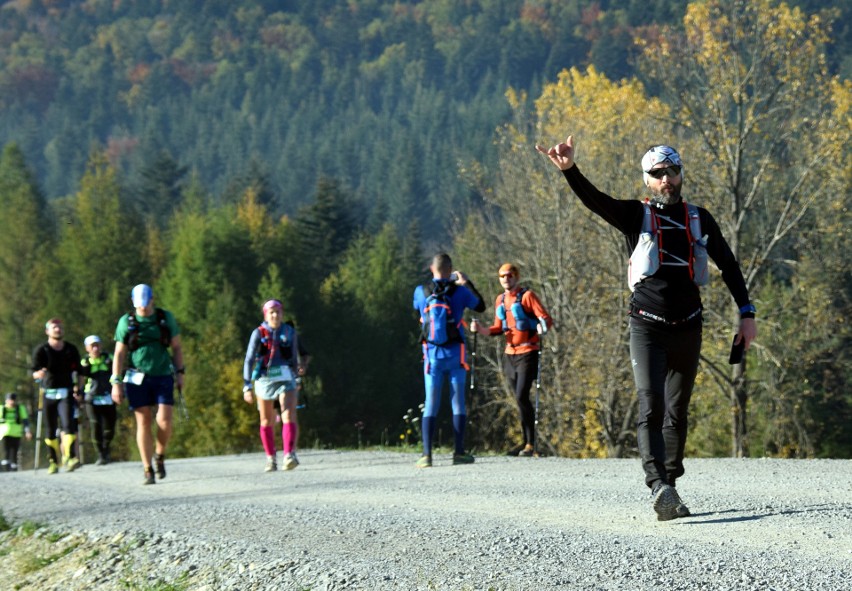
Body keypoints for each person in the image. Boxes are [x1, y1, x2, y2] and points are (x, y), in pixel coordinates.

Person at [536, 137, 757, 521]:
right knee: (651, 406)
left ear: (681, 174)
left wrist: (747, 313)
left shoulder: (700, 218)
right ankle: (658, 485)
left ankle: (670, 487)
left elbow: (729, 264)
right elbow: (595, 200)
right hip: (647, 327)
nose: (666, 179)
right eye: (658, 174)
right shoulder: (635, 216)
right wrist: (570, 170)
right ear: (647, 180)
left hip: (689, 328)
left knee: (677, 412)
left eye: (672, 171)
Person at [470, 263, 553, 457]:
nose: (506, 279)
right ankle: (525, 442)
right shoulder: (500, 300)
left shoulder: (527, 296)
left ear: (516, 277)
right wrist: (481, 330)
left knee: (521, 395)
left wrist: (543, 327)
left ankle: (531, 444)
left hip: (528, 352)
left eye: (509, 275)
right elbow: (498, 328)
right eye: (502, 276)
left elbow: (546, 318)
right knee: (519, 399)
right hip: (510, 355)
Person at [412, 253, 486, 468]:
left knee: (431, 404)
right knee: (457, 403)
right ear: (451, 269)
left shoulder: (421, 291)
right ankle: (459, 452)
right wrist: (465, 282)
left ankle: (427, 455)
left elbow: (417, 312)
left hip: (432, 356)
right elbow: (480, 305)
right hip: (456, 354)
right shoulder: (461, 291)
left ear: (431, 268)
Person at [111, 284, 184, 485]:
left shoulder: (164, 318)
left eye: (145, 304)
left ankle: (159, 455)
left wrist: (180, 373)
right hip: (136, 377)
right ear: (133, 303)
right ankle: (147, 468)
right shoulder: (127, 322)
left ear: (152, 300)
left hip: (162, 375)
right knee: (143, 421)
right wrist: (115, 382)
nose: (142, 308)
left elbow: (177, 347)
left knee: (165, 420)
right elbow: (119, 353)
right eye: (139, 305)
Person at [242, 300, 310, 472]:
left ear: (282, 313)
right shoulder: (258, 333)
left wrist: (299, 374)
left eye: (278, 312)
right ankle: (270, 458)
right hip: (264, 379)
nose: (275, 315)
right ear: (265, 314)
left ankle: (289, 454)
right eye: (271, 312)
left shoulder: (289, 332)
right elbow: (249, 359)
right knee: (266, 420)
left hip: (286, 377)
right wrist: (247, 385)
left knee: (288, 413)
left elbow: (297, 356)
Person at [31, 318, 83, 474]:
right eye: (54, 327)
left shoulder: (71, 349)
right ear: (47, 331)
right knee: (51, 428)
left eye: (60, 327)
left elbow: (80, 372)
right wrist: (38, 374)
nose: (58, 330)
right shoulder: (42, 350)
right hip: (48, 393)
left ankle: (70, 457)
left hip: (66, 392)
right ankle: (53, 461)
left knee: (68, 424)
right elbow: (34, 371)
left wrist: (78, 389)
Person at [80, 335, 117, 465]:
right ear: (87, 348)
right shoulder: (85, 362)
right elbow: (80, 379)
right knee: (95, 425)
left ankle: (106, 449)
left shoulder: (109, 358)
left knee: (110, 427)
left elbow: (117, 372)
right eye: (92, 346)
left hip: (109, 396)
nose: (95, 348)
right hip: (92, 397)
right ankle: (101, 454)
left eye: (97, 345)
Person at [1, 393, 33, 471]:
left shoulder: (20, 408)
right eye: (10, 400)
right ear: (6, 400)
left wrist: (27, 431)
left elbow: (25, 421)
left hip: (17, 434)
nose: (11, 402)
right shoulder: (1, 408)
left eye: (13, 400)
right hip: (4, 434)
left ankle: (14, 469)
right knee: (6, 451)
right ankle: (5, 469)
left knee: (14, 452)